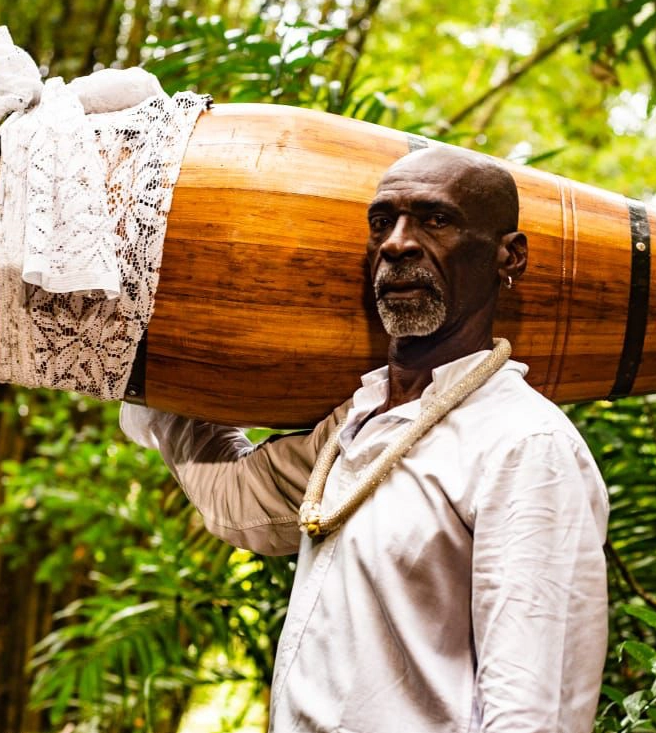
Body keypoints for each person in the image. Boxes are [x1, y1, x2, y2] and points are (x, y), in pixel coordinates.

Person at [121, 146, 610, 732]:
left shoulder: (525, 445)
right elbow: (234, 498)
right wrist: (136, 345)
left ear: (510, 256)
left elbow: (533, 715)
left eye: (435, 220)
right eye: (382, 223)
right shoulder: (358, 423)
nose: (397, 243)